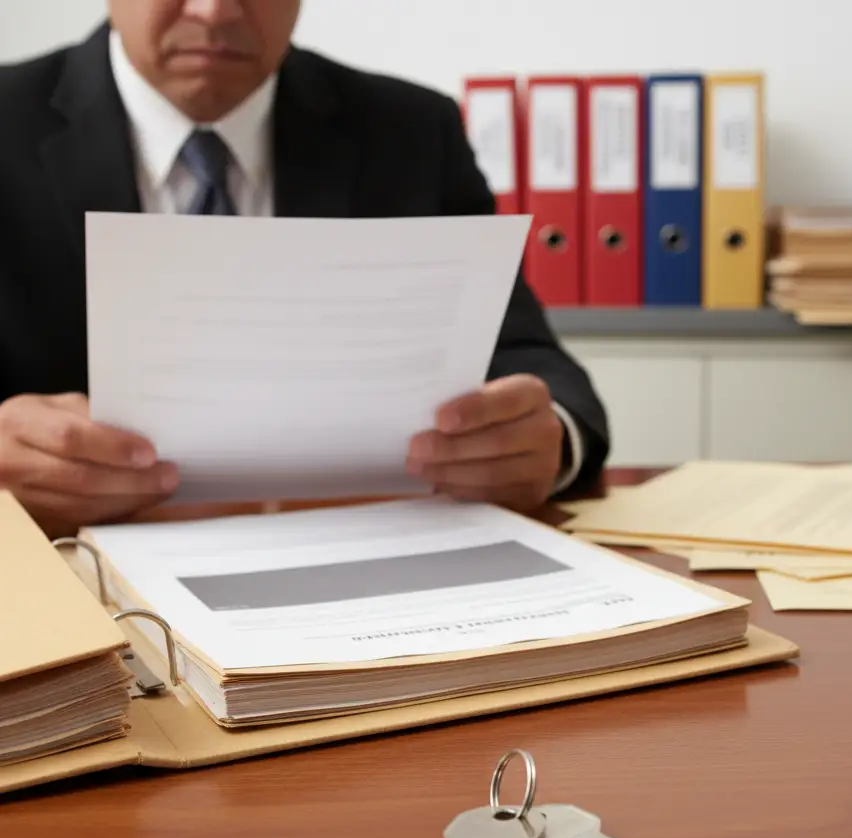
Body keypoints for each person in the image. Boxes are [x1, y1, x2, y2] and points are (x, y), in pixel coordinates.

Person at [0, 0, 609, 538]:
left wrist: (547, 440)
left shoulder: (412, 132)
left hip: (364, 558)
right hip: (68, 586)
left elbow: (530, 358)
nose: (215, 11)